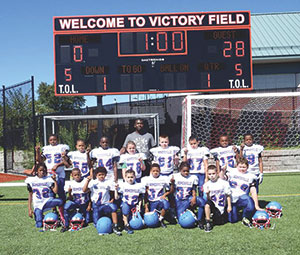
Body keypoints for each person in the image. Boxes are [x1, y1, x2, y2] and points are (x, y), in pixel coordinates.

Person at [220, 157, 264, 227]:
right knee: (232, 220)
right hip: (231, 199)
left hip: (242, 197)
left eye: (244, 167)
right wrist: (222, 171)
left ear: (247, 167)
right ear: (236, 166)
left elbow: (253, 191)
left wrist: (256, 205)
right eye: (240, 167)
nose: (242, 169)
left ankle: (245, 217)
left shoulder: (251, 176)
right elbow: (222, 179)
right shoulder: (232, 172)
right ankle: (227, 212)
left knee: (250, 204)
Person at [36, 134, 69, 223]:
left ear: (57, 139)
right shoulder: (46, 148)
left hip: (60, 174)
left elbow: (66, 161)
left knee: (61, 193)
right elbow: (40, 160)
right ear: (48, 141)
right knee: (51, 194)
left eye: (54, 139)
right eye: (51, 140)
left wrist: (57, 165)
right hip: (49, 175)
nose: (53, 141)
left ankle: (64, 211)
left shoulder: (62, 147)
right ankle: (54, 211)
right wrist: (38, 151)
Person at [83, 167, 121, 236]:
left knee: (113, 207)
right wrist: (87, 181)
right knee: (96, 224)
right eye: (99, 175)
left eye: (103, 174)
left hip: (105, 204)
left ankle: (115, 225)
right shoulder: (93, 182)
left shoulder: (108, 182)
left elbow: (112, 191)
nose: (101, 176)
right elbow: (84, 190)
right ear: (96, 175)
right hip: (96, 205)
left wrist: (112, 199)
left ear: (105, 175)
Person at [25, 163, 63, 230]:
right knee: (39, 225)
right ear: (37, 171)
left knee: (60, 201)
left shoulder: (48, 179)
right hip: (38, 204)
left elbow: (55, 191)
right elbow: (30, 195)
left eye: (44, 170)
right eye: (40, 170)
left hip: (47, 201)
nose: (42, 172)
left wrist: (55, 181)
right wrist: (29, 209)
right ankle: (42, 217)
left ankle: (61, 217)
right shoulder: (31, 180)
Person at [172, 162, 205, 228]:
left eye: (187, 171)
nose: (186, 172)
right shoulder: (175, 176)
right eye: (184, 171)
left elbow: (194, 189)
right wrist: (172, 183)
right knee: (181, 220)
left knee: (202, 202)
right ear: (180, 170)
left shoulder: (193, 177)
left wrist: (194, 197)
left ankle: (199, 219)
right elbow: (172, 191)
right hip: (179, 200)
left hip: (188, 198)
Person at [142, 163, 173, 228]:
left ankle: (161, 219)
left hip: (160, 200)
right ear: (150, 171)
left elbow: (170, 190)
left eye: (157, 171)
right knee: (152, 219)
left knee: (166, 204)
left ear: (160, 171)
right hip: (152, 201)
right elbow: (145, 194)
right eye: (154, 171)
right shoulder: (146, 179)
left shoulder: (163, 178)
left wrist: (165, 195)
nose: (155, 172)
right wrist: (146, 206)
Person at [203, 165, 232, 232]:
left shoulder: (224, 183)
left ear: (217, 173)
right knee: (207, 204)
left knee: (228, 221)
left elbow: (228, 195)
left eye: (213, 173)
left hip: (221, 208)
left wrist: (229, 206)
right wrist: (207, 194)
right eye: (210, 174)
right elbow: (209, 200)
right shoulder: (206, 185)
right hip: (213, 207)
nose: (212, 176)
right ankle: (208, 222)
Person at [61, 168, 91, 232]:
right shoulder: (70, 183)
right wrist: (69, 192)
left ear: (81, 174)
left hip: (84, 203)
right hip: (75, 202)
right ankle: (66, 225)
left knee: (87, 221)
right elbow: (71, 198)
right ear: (72, 175)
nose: (77, 176)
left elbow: (90, 194)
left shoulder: (86, 180)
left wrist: (89, 205)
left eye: (78, 174)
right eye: (75, 175)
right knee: (66, 206)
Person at [115, 169, 145, 234]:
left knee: (138, 216)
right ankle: (126, 225)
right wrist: (116, 190)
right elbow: (116, 198)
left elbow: (140, 197)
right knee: (125, 209)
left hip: (135, 204)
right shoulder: (123, 185)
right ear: (125, 178)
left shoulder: (139, 186)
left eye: (132, 177)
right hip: (126, 203)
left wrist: (139, 206)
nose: (130, 179)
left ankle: (126, 221)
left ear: (135, 177)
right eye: (128, 177)